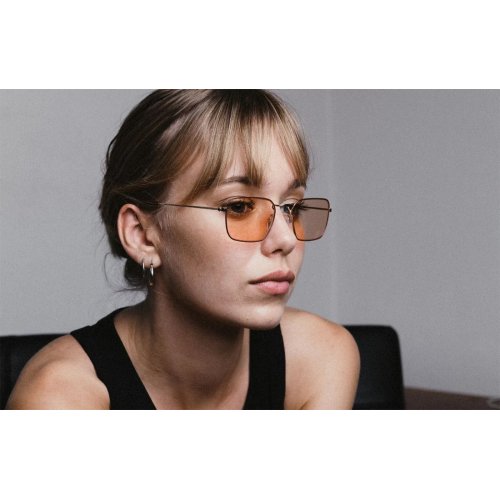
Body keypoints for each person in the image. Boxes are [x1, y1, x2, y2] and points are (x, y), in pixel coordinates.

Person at [7, 90, 360, 410]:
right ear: (143, 236)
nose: (286, 239)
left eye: (292, 207)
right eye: (239, 207)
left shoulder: (320, 357)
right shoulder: (57, 397)